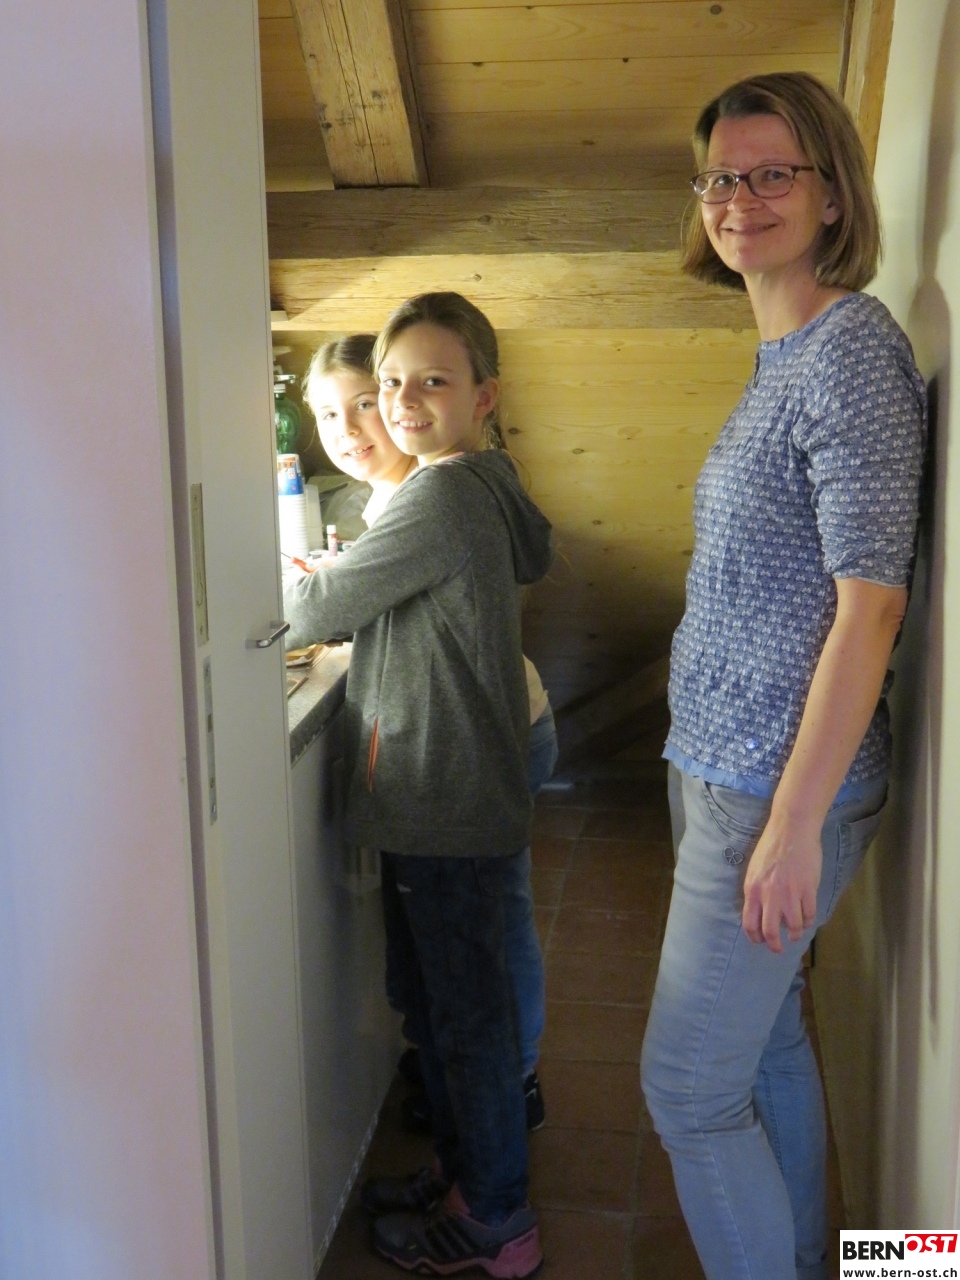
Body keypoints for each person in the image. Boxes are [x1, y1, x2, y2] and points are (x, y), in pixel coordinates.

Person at [639, 72, 926, 1280]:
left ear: (831, 194)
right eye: (721, 175)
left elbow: (873, 602)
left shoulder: (852, 348)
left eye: (772, 174)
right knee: (761, 1051)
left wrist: (794, 825)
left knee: (685, 1088)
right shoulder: (785, 353)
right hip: (723, 765)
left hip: (773, 786)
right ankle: (809, 1259)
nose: (738, 198)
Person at [284, 294, 552, 1278]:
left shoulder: (441, 494)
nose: (400, 401)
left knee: (465, 1016)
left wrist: (249, 595)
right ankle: (465, 1173)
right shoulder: (474, 480)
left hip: (447, 795)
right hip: (448, 789)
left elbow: (315, 606)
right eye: (391, 380)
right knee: (443, 1004)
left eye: (431, 381)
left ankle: (498, 1219)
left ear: (483, 396)